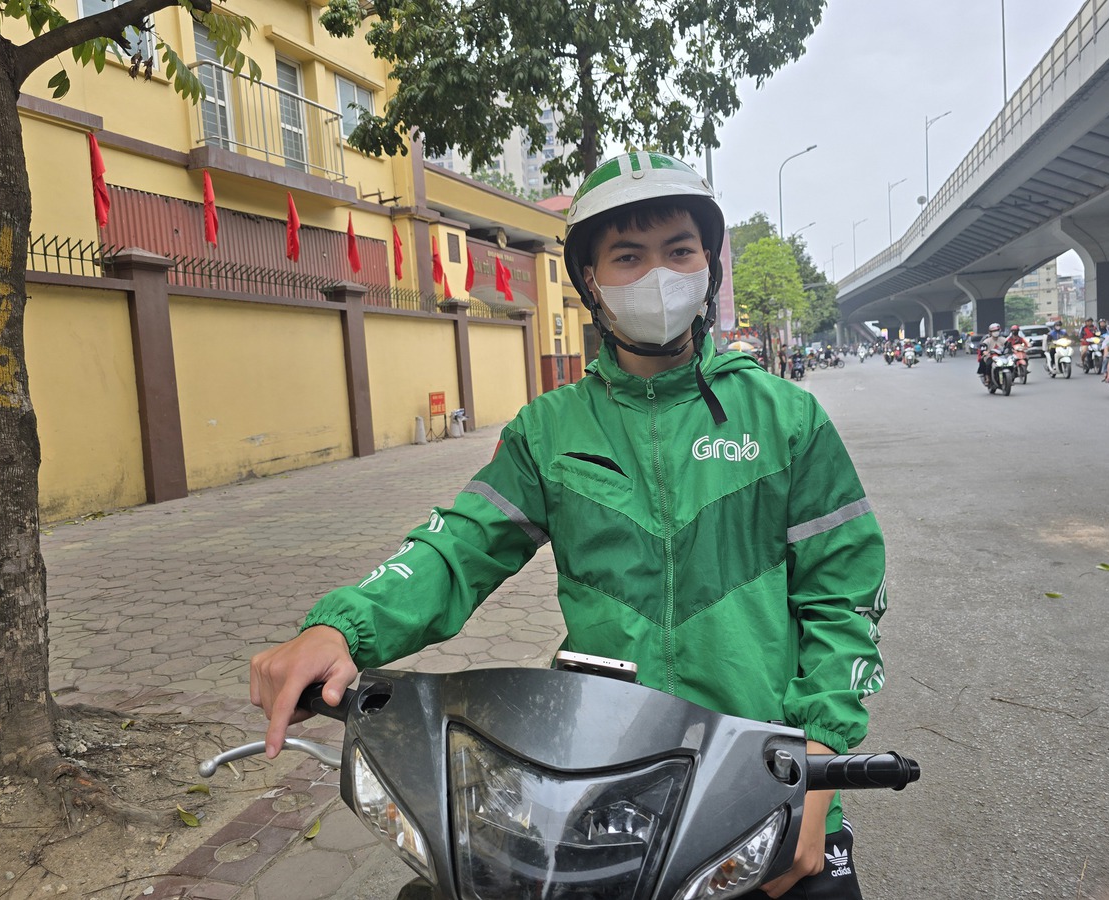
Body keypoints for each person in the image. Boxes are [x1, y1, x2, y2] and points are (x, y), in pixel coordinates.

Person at [249, 153, 887, 900]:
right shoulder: (548, 431)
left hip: (766, 776)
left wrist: (817, 763)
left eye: (680, 250)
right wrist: (341, 627)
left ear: (709, 263)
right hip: (604, 778)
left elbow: (843, 597)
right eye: (628, 256)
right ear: (589, 279)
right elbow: (458, 546)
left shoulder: (787, 420)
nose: (659, 275)